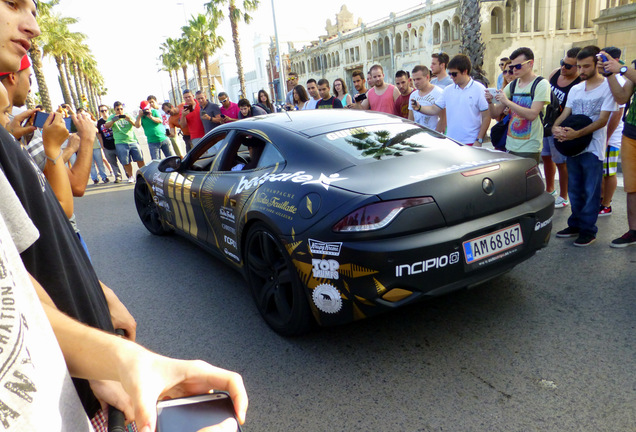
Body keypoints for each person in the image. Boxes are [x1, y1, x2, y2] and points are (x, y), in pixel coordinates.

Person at [0, 4, 248, 431]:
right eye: (13, 3)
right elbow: (65, 206)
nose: (34, 26)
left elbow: (17, 281)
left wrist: (109, 349)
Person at [552, 46, 618, 247]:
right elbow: (567, 113)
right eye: (579, 66)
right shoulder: (576, 88)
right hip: (573, 146)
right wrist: (555, 127)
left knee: (591, 190)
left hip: (593, 147)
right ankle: (575, 224)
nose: (581, 71)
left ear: (597, 64)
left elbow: (602, 121)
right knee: (575, 189)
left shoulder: (608, 87)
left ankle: (588, 230)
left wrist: (577, 133)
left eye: (586, 66)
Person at [486, 47, 550, 164]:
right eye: (511, 67)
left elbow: (532, 114)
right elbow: (495, 114)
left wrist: (508, 102)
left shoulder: (541, 84)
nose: (514, 70)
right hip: (510, 145)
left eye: (518, 66)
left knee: (527, 181)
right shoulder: (513, 85)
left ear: (530, 63)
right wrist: (490, 102)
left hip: (529, 147)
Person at [602, 48, 636, 247]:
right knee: (632, 188)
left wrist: (621, 68)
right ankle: (633, 231)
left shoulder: (628, 69)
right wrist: (610, 74)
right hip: (631, 133)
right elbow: (622, 97)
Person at [418, 54, 490, 146]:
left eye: (454, 74)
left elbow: (486, 116)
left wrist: (479, 139)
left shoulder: (479, 89)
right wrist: (419, 107)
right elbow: (434, 109)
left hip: (471, 142)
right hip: (451, 142)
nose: (451, 76)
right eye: (450, 73)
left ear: (465, 71)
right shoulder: (448, 90)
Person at [542, 47, 582, 209]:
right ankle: (550, 189)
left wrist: (557, 126)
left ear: (578, 67)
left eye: (568, 66)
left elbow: (571, 110)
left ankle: (564, 196)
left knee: (561, 162)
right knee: (545, 156)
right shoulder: (555, 74)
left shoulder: (579, 84)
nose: (563, 68)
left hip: (561, 127)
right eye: (562, 63)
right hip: (547, 123)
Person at [597, 47, 626, 217]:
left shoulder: (619, 80)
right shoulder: (602, 78)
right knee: (600, 171)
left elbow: (618, 112)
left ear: (614, 60)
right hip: (600, 133)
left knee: (609, 172)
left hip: (611, 136)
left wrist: (606, 137)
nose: (599, 62)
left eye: (603, 58)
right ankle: (602, 199)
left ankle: (606, 204)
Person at [105, 101, 145, 183]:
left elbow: (137, 125)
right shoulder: (112, 117)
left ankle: (143, 175)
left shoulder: (128, 115)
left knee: (140, 159)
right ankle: (130, 176)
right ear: (114, 110)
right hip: (120, 142)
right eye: (117, 109)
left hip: (132, 141)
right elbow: (106, 126)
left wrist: (129, 120)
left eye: (121, 109)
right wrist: (114, 120)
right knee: (126, 161)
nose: (120, 111)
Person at [408, 65, 444, 132]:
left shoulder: (439, 93)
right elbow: (410, 119)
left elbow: (443, 119)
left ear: (427, 77)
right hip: (417, 136)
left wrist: (436, 137)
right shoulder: (413, 95)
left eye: (418, 79)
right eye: (414, 80)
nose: (415, 82)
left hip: (433, 136)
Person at [97, 105, 123, 182]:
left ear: (108, 110)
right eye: (102, 111)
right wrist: (102, 146)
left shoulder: (113, 118)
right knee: (112, 163)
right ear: (100, 112)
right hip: (107, 146)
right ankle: (118, 176)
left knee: (124, 161)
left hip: (117, 143)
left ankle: (129, 174)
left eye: (105, 110)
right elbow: (99, 134)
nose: (104, 112)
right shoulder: (99, 122)